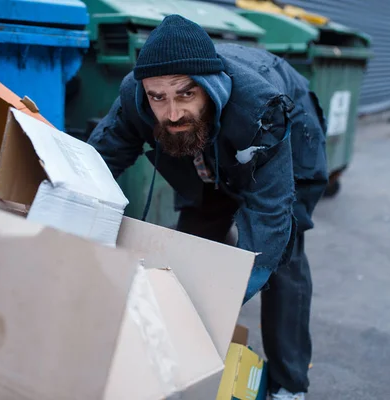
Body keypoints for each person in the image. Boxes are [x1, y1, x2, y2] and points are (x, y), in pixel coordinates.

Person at [87, 14, 328, 400]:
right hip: (206, 163)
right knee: (192, 250)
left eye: (186, 93)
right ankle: (182, 360)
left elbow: (269, 213)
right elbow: (98, 161)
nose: (172, 113)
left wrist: (237, 285)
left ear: (211, 87)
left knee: (282, 259)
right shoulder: (137, 97)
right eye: (158, 97)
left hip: (287, 137)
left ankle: (290, 384)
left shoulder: (262, 110)